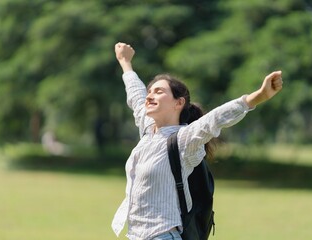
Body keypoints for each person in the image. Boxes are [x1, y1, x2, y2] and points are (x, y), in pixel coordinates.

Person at [111, 42, 283, 240]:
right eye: (150, 92)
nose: (149, 96)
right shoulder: (149, 130)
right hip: (135, 235)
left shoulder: (184, 139)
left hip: (161, 235)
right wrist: (125, 62)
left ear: (179, 103)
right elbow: (135, 95)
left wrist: (258, 96)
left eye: (158, 91)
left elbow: (215, 119)